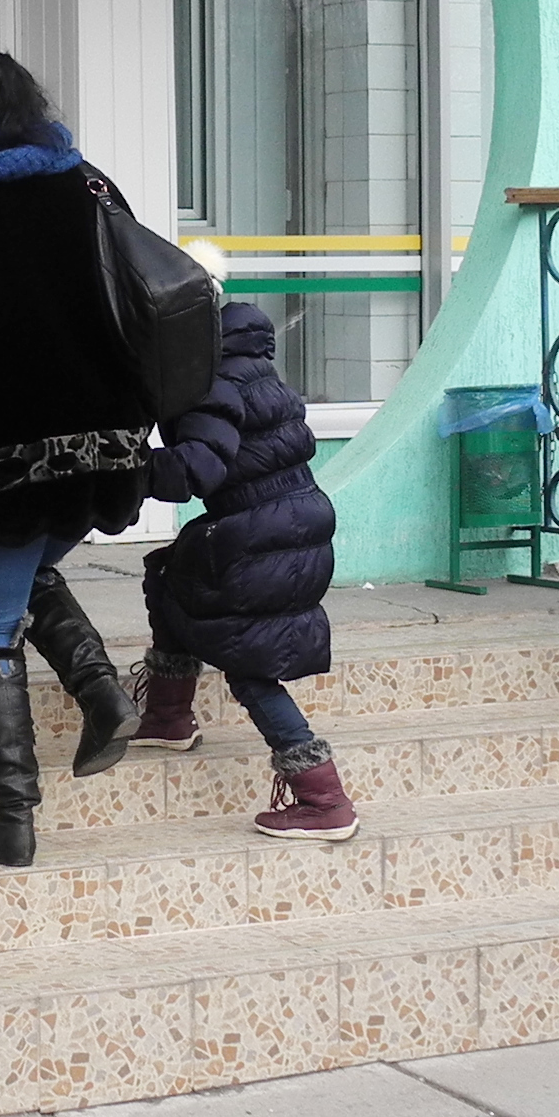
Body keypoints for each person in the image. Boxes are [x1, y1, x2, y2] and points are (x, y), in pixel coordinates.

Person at [0, 50, 150, 869]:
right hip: (103, 433)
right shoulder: (83, 179)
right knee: (26, 573)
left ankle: (13, 816)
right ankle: (102, 693)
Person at [133, 300, 355, 838]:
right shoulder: (257, 371)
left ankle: (322, 797)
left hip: (261, 533)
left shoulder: (215, 381)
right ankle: (168, 715)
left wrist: (122, 467)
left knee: (250, 662)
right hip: (296, 523)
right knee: (171, 575)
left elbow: (195, 470)